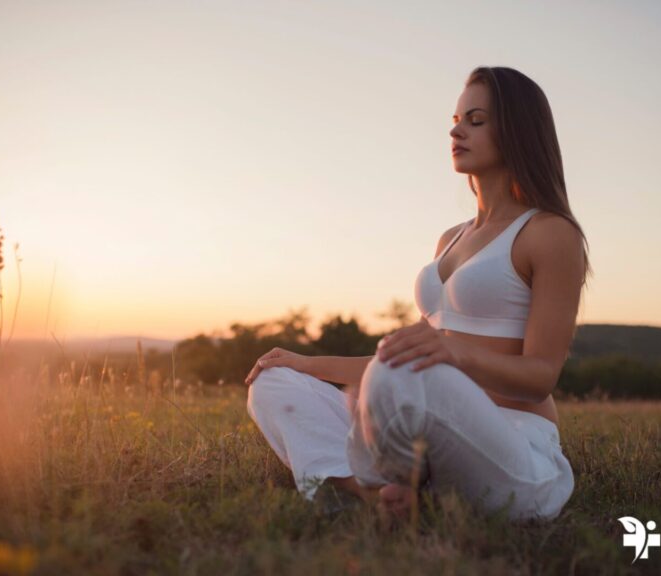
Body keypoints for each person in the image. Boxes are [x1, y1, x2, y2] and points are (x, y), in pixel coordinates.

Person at [244, 66, 592, 522]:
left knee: (403, 376)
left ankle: (383, 481)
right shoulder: (449, 238)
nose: (456, 129)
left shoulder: (548, 233)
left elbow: (541, 376)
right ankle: (376, 494)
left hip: (514, 453)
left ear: (517, 130)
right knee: (274, 383)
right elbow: (406, 366)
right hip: (426, 430)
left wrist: (452, 353)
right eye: (456, 118)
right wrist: (305, 365)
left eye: (476, 120)